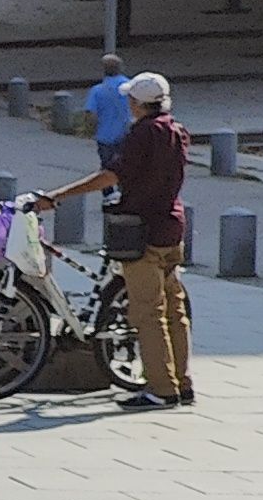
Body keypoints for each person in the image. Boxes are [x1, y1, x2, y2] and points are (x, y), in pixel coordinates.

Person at [45, 67, 194, 408]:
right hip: (173, 226)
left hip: (142, 230)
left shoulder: (143, 134)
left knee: (148, 312)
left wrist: (59, 194)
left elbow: (111, 174)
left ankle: (161, 389)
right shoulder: (177, 130)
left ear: (138, 103)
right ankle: (182, 383)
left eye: (130, 99)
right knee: (175, 309)